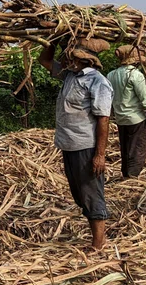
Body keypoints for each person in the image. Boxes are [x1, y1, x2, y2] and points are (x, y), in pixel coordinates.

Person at [38, 38, 114, 250]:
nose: (66, 58)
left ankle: (98, 243)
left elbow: (103, 119)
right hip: (68, 144)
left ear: (81, 59)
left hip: (86, 146)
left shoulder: (97, 82)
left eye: (69, 54)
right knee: (79, 193)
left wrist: (100, 154)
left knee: (90, 192)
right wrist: (52, 38)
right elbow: (44, 60)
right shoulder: (70, 75)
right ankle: (97, 237)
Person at [107, 44, 146, 179]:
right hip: (136, 119)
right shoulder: (136, 75)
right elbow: (144, 100)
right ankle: (132, 177)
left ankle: (126, 174)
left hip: (120, 119)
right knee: (138, 150)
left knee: (125, 148)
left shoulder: (111, 75)